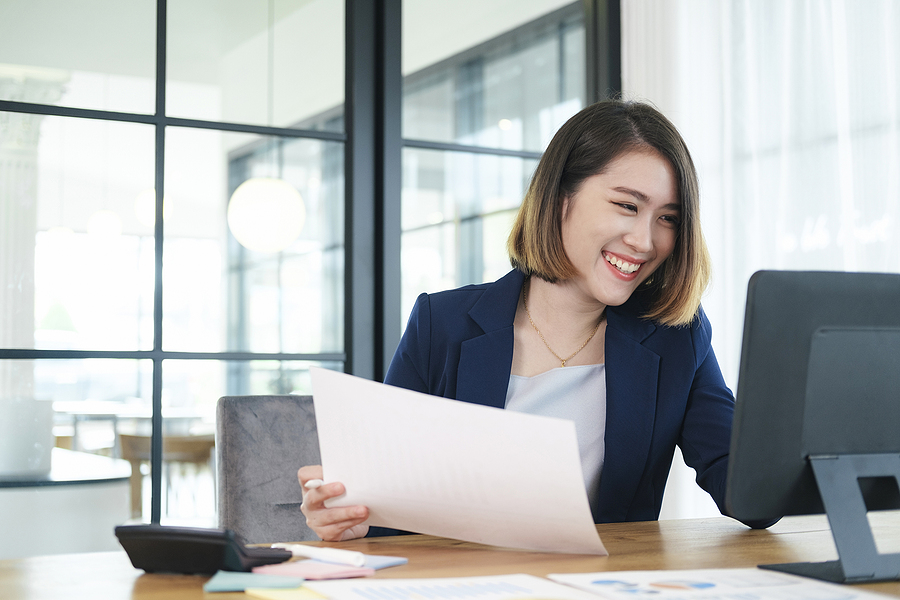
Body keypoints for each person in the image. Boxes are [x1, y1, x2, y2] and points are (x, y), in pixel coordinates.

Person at [299, 98, 773, 542]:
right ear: (560, 198)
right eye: (627, 205)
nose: (646, 241)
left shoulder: (676, 336)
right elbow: (388, 506)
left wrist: (815, 429)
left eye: (668, 218)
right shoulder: (441, 324)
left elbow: (749, 494)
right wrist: (348, 516)